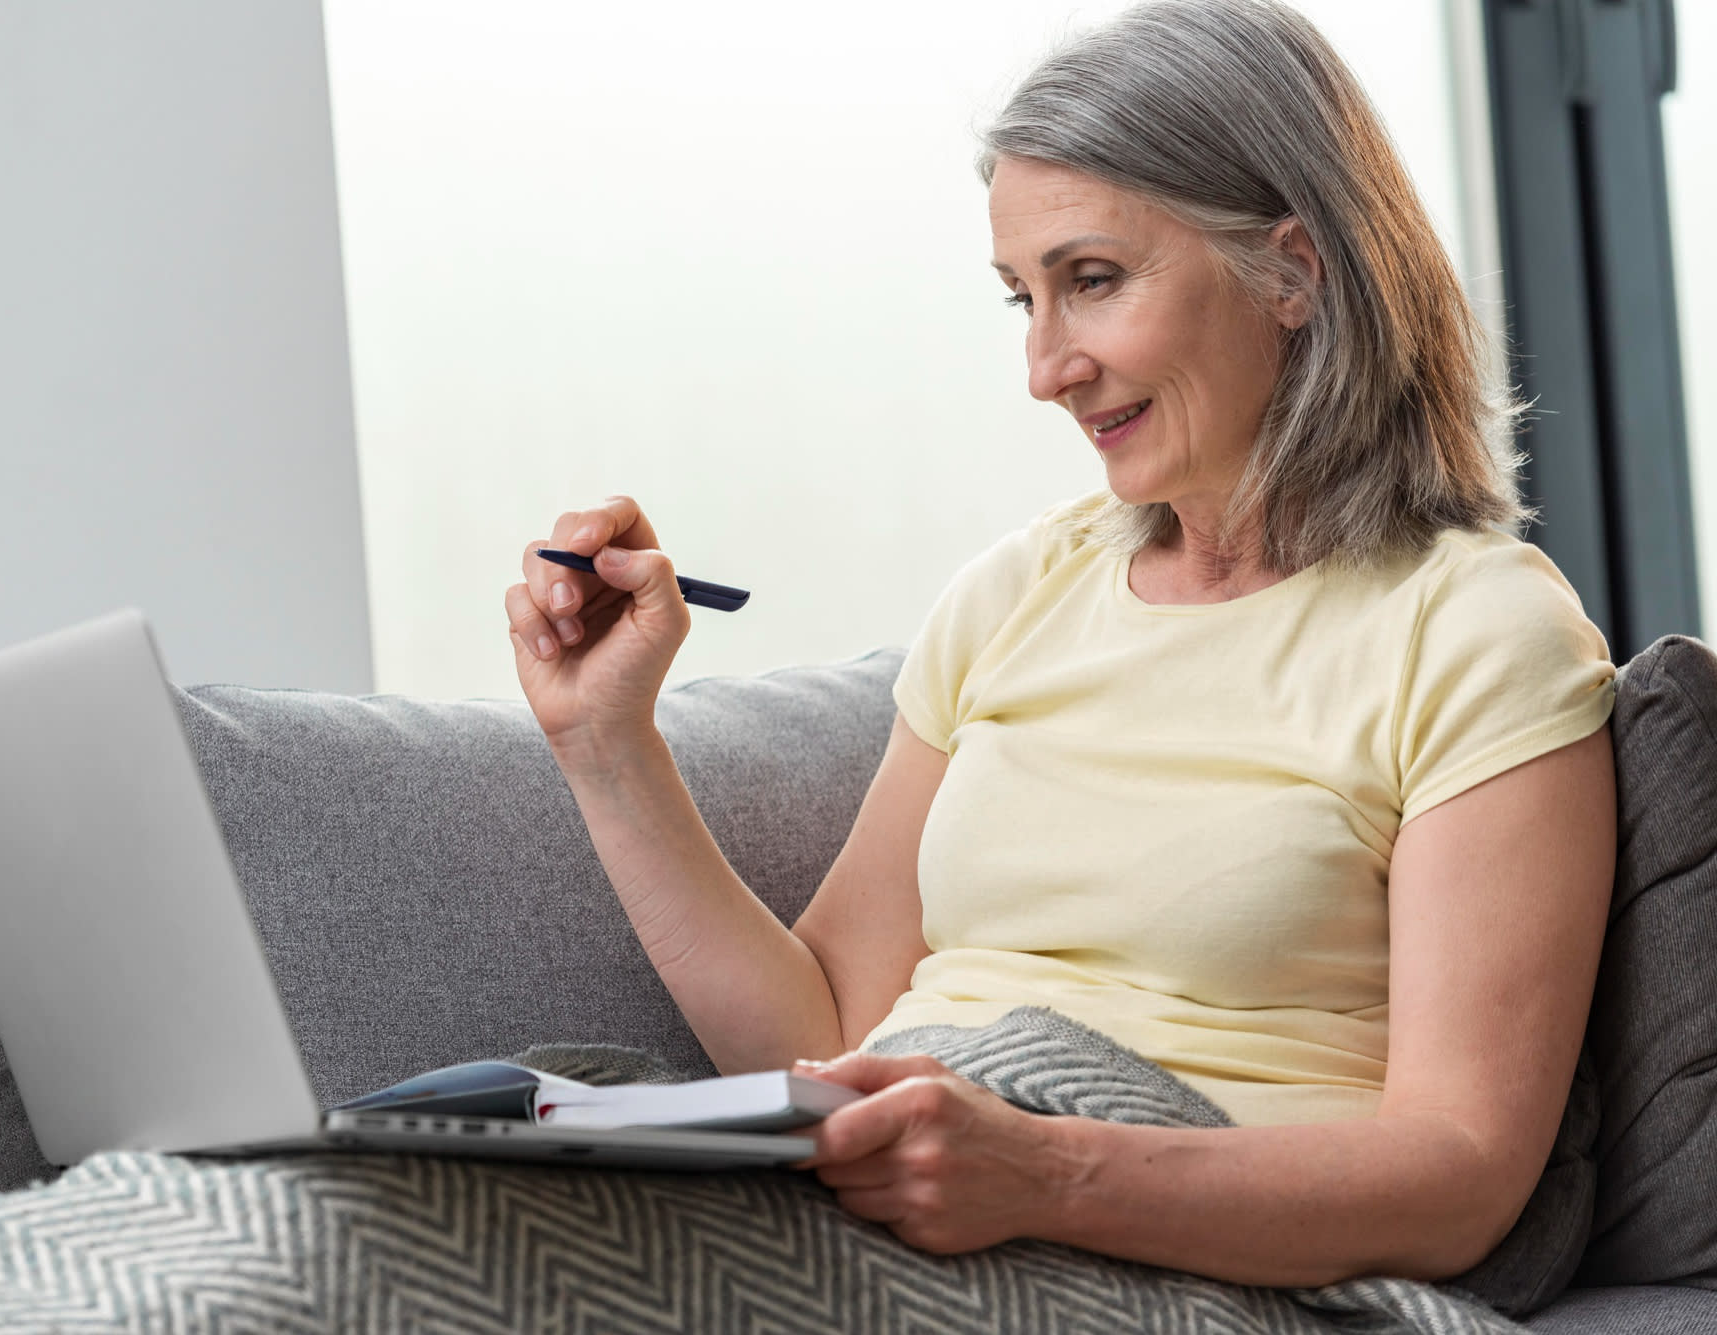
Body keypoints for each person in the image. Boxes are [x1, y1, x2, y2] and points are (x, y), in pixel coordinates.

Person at [501, 0, 1616, 1290]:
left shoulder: (1473, 630)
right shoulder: (1018, 592)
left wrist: (1037, 1168)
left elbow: (1461, 1176)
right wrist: (606, 741)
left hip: (1176, 1253)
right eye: (1021, 298)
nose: (1045, 367)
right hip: (920, 1202)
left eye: (1093, 282)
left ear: (1293, 272)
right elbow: (820, 1042)